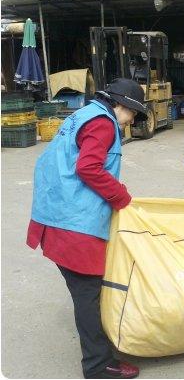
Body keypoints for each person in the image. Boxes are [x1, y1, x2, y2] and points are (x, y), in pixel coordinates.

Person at [27, 78, 147, 379]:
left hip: (56, 213)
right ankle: (98, 365)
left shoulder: (83, 114)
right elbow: (88, 167)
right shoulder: (103, 124)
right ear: (120, 104)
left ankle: (100, 354)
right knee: (88, 295)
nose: (131, 120)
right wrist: (121, 197)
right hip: (73, 224)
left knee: (85, 292)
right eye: (132, 113)